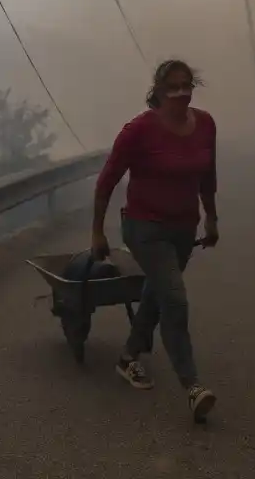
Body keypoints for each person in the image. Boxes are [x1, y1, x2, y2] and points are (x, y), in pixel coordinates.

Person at [91, 58, 220, 422]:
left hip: (183, 228)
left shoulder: (205, 124)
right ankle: (193, 386)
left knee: (157, 293)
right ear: (159, 92)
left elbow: (207, 176)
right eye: (172, 87)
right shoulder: (138, 130)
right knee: (175, 299)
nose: (181, 93)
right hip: (144, 228)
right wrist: (97, 231)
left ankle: (128, 358)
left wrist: (211, 218)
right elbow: (106, 182)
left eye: (186, 85)